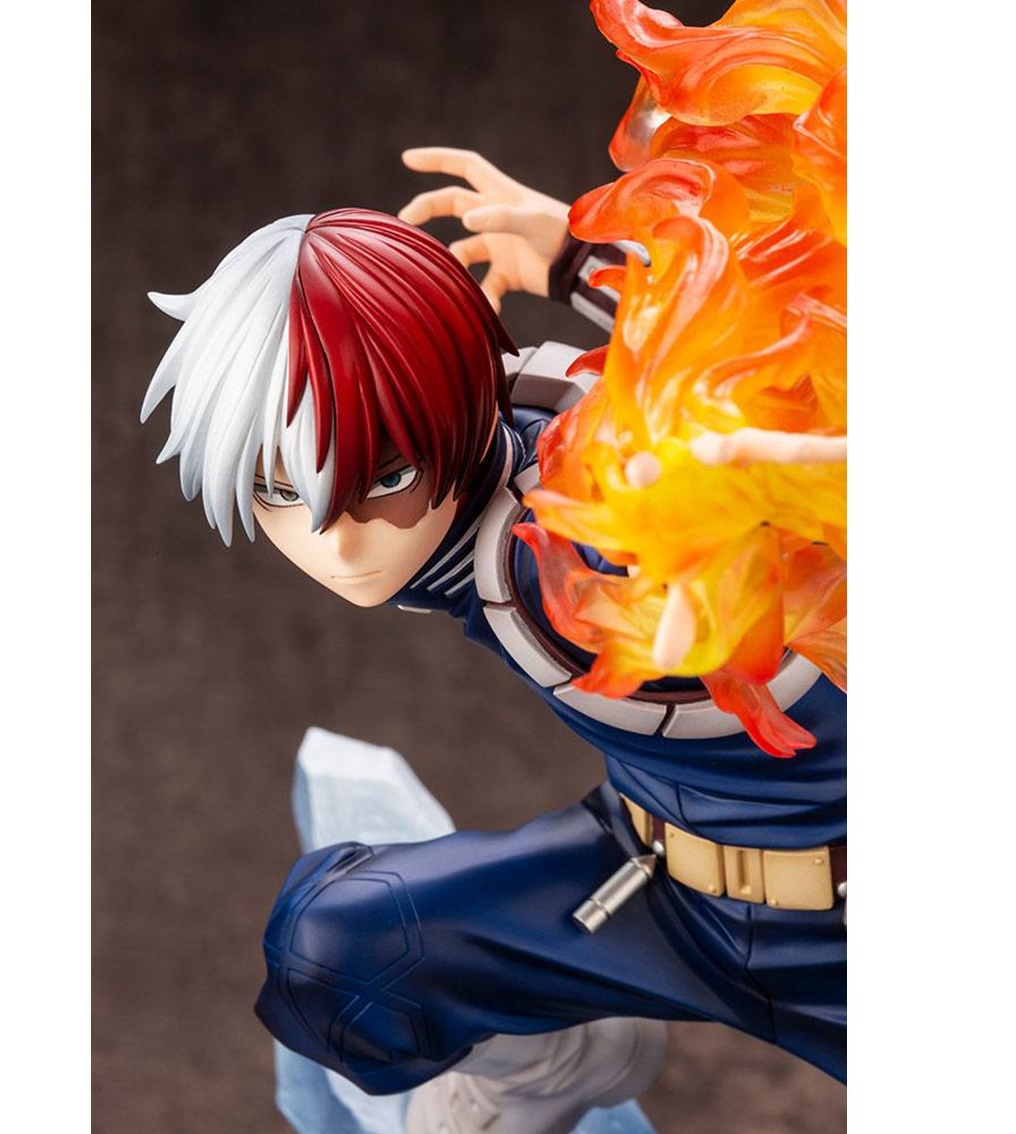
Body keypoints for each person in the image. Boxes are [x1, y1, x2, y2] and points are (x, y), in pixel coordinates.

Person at [141, 149, 846, 1134]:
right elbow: (685, 356)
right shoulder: (502, 417)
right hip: (648, 882)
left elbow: (747, 400)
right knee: (337, 953)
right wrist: (585, 263)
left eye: (382, 479)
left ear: (456, 415)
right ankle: (553, 1059)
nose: (335, 540)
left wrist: (740, 528)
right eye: (278, 489)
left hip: (847, 936)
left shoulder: (577, 530)